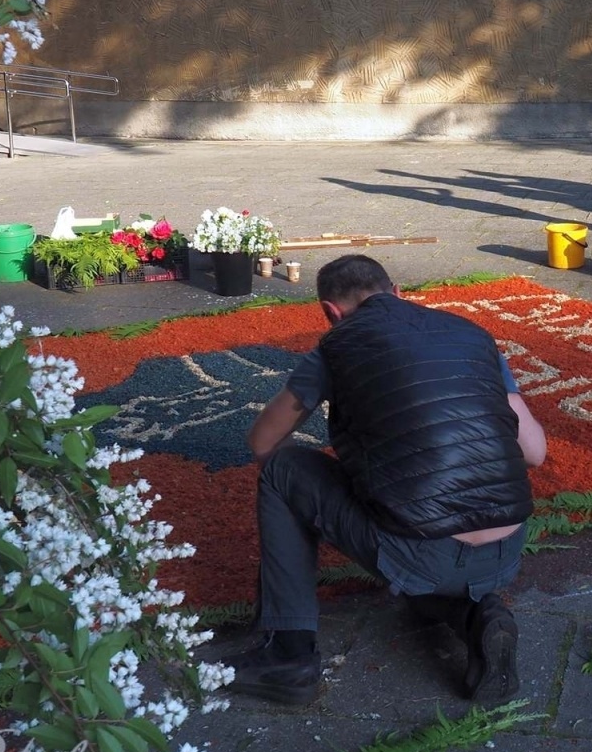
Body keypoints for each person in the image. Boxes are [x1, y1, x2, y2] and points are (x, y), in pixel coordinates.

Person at [230, 254, 547, 705]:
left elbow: (263, 443)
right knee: (419, 548)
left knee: (284, 470)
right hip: (507, 550)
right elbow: (535, 453)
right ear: (398, 292)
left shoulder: (337, 346)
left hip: (425, 554)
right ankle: (478, 617)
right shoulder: (472, 335)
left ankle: (288, 654)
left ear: (331, 312)